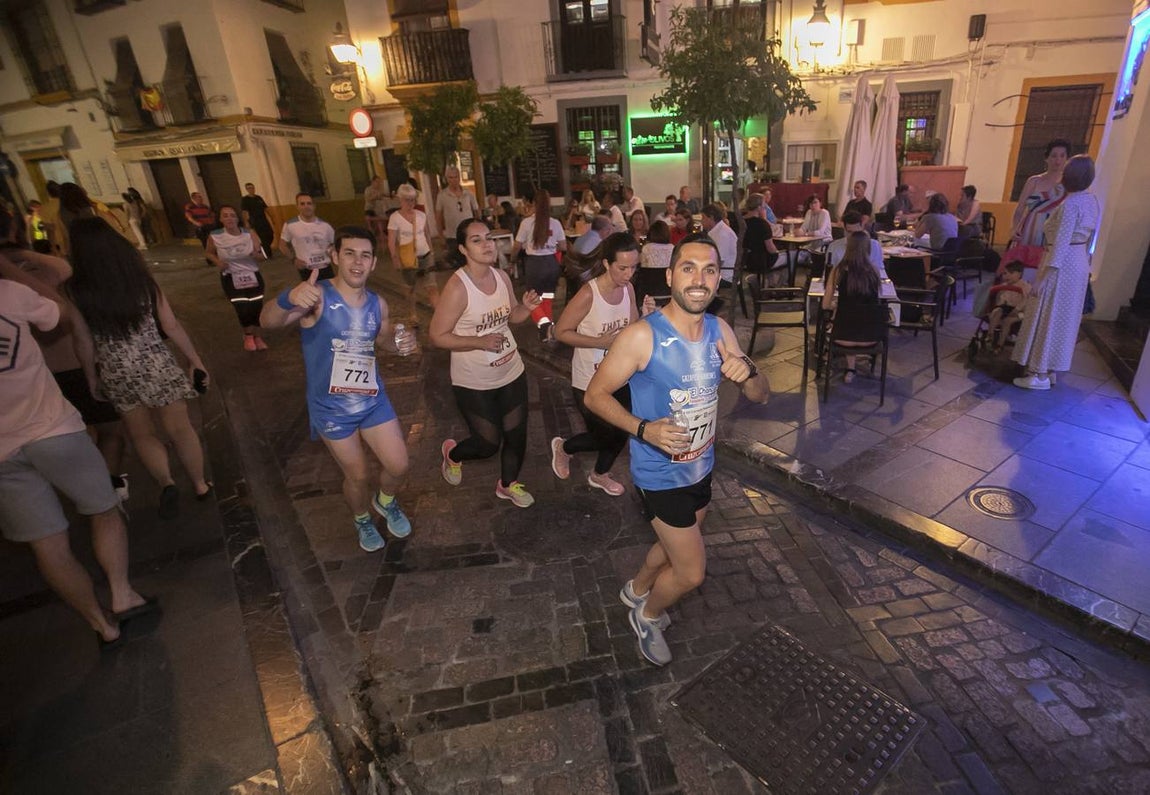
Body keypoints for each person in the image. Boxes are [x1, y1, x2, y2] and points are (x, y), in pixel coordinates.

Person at [584, 234, 770, 666]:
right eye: (688, 267)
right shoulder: (640, 337)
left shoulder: (720, 331)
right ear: (670, 276)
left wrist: (748, 372)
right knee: (690, 571)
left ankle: (636, 588)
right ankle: (647, 615)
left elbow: (760, 395)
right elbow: (596, 396)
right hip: (660, 474)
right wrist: (643, 429)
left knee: (674, 545)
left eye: (709, 270)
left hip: (701, 466)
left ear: (718, 279)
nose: (699, 279)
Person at [0, 255, 154, 649]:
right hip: (53, 430)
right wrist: (10, 268)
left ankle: (100, 624)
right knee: (103, 510)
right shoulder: (11, 294)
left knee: (47, 544)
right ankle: (121, 593)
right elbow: (61, 311)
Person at [261, 226, 415, 550]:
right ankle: (361, 518)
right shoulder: (315, 298)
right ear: (334, 256)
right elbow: (269, 322)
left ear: (374, 263)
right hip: (331, 409)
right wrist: (289, 297)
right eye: (349, 254)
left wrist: (400, 342)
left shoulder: (378, 304)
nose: (357, 263)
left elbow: (384, 341)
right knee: (356, 476)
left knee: (399, 465)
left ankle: (385, 501)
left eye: (365, 255)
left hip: (372, 400)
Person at [66, 217, 212, 518]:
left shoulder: (75, 290)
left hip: (116, 370)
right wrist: (195, 360)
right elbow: (170, 325)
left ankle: (167, 482)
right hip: (156, 363)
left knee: (142, 434)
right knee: (180, 429)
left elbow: (82, 341)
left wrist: (92, 377)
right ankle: (200, 484)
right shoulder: (141, 279)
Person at [430, 220, 543, 508]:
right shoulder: (458, 288)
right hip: (474, 380)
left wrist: (526, 309)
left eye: (489, 238)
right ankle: (454, 455)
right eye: (477, 240)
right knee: (487, 444)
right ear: (463, 249)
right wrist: (478, 342)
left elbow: (512, 316)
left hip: (511, 370)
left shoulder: (502, 277)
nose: (487, 245)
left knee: (516, 436)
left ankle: (508, 484)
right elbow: (438, 336)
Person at [552, 233, 654, 496]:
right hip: (588, 381)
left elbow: (630, 329)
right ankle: (564, 448)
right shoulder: (589, 294)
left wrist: (646, 316)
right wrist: (599, 342)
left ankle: (599, 474)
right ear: (607, 264)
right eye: (623, 267)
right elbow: (561, 331)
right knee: (602, 437)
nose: (629, 274)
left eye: (634, 267)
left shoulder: (628, 289)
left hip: (620, 377)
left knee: (620, 432)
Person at [1011, 155, 1099, 390]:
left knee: (1047, 316)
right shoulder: (1091, 200)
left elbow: (1059, 245)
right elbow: (1090, 238)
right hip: (1078, 262)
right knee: (1063, 320)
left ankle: (1037, 372)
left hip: (1060, 264)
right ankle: (1049, 369)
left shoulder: (1070, 205)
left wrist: (1042, 279)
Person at [822, 231, 882, 383]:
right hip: (871, 338)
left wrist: (835, 305)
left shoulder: (838, 270)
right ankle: (851, 368)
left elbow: (825, 305)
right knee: (859, 318)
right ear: (867, 248)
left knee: (846, 316)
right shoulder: (874, 271)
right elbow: (876, 302)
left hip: (842, 337)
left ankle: (849, 368)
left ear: (848, 247)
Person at [207, 205, 269, 351]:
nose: (229, 218)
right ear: (221, 219)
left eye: (232, 215)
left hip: (252, 275)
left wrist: (256, 255)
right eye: (225, 215)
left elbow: (262, 255)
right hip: (231, 277)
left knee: (256, 308)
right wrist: (218, 262)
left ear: (237, 218)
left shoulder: (249, 234)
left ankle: (258, 336)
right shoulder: (215, 236)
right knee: (242, 308)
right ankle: (248, 336)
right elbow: (209, 253)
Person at [1006, 139, 1071, 272]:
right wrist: (1014, 228)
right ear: (1047, 158)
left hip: (1053, 232)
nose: (1058, 160)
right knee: (1022, 268)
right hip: (1030, 229)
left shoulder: (1069, 184)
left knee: (1044, 268)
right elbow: (1020, 208)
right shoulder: (1034, 181)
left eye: (1062, 156)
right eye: (1053, 156)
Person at [511, 189, 567, 341]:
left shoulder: (527, 223)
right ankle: (547, 332)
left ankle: (545, 327)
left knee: (533, 299)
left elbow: (516, 246)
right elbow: (563, 246)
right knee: (547, 298)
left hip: (535, 265)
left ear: (533, 204)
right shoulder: (555, 223)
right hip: (551, 264)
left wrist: (512, 260)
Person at [387, 183, 436, 324]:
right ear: (400, 200)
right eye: (407, 200)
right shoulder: (395, 218)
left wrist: (431, 251)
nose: (410, 203)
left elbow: (426, 234)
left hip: (425, 255)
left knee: (432, 286)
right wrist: (395, 258)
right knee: (411, 288)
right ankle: (412, 313)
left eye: (413, 199)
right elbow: (391, 241)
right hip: (408, 258)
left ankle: (438, 314)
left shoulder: (421, 215)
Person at [280, 193, 336, 281]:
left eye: (309, 203)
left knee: (330, 293)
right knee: (310, 294)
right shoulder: (290, 225)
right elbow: (282, 245)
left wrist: (332, 252)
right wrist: (293, 260)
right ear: (297, 206)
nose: (306, 206)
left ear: (314, 206)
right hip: (306, 270)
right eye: (302, 204)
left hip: (325, 269)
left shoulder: (325, 225)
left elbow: (335, 243)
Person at [987, 262, 1030, 352]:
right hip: (1007, 307)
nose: (1007, 276)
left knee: (1007, 321)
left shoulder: (1025, 286)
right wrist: (1000, 299)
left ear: (1019, 274)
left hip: (1021, 311)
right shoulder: (1005, 285)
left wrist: (1016, 309)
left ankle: (1000, 344)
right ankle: (990, 336)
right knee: (996, 312)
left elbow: (1026, 301)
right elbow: (1002, 300)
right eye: (1005, 273)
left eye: (1011, 273)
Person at [828, 210, 885, 277]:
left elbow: (879, 272)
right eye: (850, 232)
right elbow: (828, 274)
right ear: (844, 231)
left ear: (862, 228)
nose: (854, 236)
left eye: (857, 233)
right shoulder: (834, 247)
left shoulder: (874, 246)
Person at [435, 166, 480, 245]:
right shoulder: (442, 195)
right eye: (450, 177)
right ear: (447, 179)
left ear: (459, 178)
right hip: (452, 235)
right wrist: (441, 235)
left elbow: (476, 211)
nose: (453, 180)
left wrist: (478, 229)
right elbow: (438, 217)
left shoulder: (468, 193)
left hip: (468, 234)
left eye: (455, 177)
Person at [741, 194, 780, 279]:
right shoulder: (762, 224)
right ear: (759, 208)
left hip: (744, 259)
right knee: (790, 258)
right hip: (761, 261)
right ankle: (775, 286)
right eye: (764, 206)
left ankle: (770, 284)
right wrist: (778, 252)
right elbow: (770, 248)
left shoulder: (739, 221)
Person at [636, 220, 675, 304]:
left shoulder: (646, 248)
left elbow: (642, 269)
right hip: (669, 293)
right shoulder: (673, 248)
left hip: (650, 293)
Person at [700, 203, 737, 285]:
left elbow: (719, 260)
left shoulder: (722, 234)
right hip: (720, 270)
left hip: (726, 275)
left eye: (703, 218)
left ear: (711, 218)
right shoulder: (716, 231)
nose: (701, 221)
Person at [241, 182, 276, 256]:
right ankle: (268, 254)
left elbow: (265, 208)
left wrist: (271, 217)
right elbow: (244, 211)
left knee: (270, 234)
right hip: (255, 220)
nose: (251, 189)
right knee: (263, 236)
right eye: (249, 188)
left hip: (263, 219)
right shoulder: (245, 200)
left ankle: (264, 246)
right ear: (247, 189)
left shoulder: (258, 198)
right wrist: (246, 222)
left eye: (252, 188)